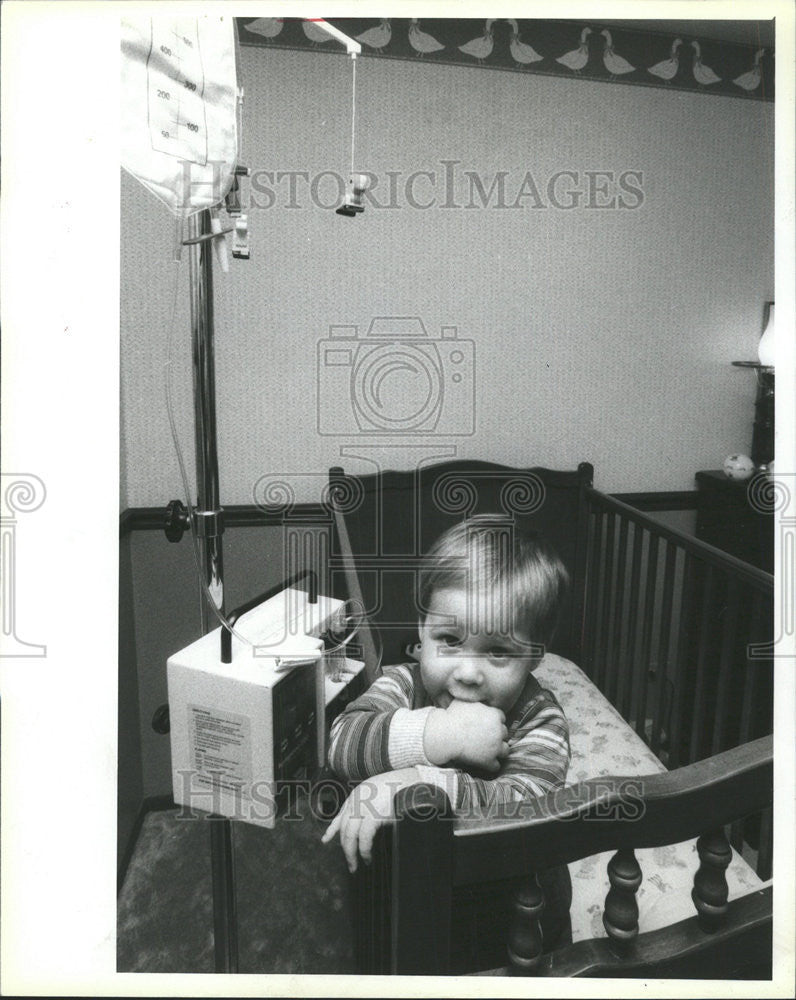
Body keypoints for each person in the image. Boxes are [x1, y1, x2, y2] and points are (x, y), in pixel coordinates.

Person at [321, 514, 571, 878]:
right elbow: (342, 744)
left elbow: (525, 806)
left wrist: (408, 786)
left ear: (534, 655)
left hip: (512, 906)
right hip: (409, 889)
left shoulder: (541, 720)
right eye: (450, 641)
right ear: (423, 631)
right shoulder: (403, 683)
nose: (468, 674)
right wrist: (437, 733)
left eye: (498, 651)